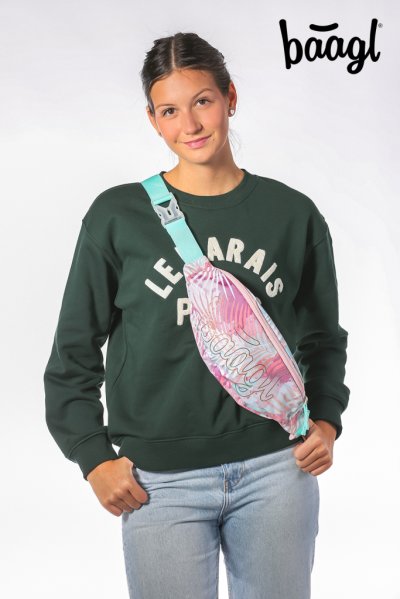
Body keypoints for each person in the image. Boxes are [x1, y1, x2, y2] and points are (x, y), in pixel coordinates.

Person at [44, 31, 350, 599]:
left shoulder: (292, 214)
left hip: (277, 469)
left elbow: (323, 339)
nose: (190, 123)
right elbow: (72, 353)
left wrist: (327, 422)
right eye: (169, 110)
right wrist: (93, 457)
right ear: (153, 120)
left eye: (203, 101)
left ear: (230, 97)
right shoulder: (118, 217)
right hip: (160, 482)